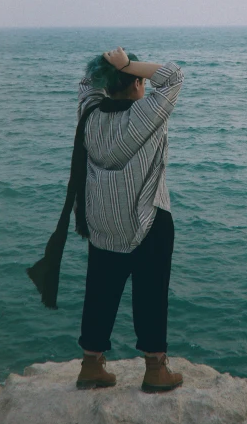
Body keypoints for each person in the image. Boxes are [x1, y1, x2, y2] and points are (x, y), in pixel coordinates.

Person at [75, 46, 185, 393]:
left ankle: (91, 365)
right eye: (139, 80)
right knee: (151, 293)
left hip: (103, 219)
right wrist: (128, 63)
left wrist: (108, 67)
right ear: (138, 83)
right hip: (146, 218)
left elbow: (86, 82)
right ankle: (155, 369)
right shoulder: (146, 114)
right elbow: (173, 77)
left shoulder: (89, 114)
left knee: (100, 291)